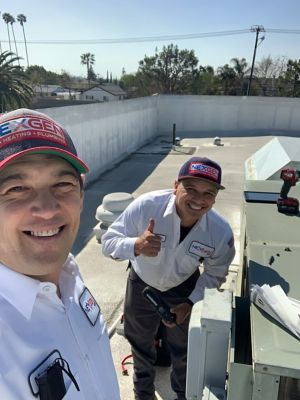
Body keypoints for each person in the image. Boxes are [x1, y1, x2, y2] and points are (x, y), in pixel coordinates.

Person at [0, 108, 120, 400]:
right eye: (16, 188)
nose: (47, 208)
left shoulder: (71, 279)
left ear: (81, 195)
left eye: (62, 184)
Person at [102, 156, 235, 400]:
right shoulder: (146, 206)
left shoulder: (220, 232)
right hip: (142, 284)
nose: (198, 200)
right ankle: (143, 393)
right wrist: (136, 245)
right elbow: (108, 242)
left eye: (208, 193)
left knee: (183, 348)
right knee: (140, 342)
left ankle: (182, 394)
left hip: (184, 287)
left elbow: (216, 272)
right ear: (176, 186)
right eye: (191, 189)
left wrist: (192, 302)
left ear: (215, 197)